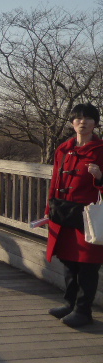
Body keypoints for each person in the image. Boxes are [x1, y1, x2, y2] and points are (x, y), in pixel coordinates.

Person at [46, 103, 103, 328]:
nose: (83, 122)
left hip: (89, 217)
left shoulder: (101, 150)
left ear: (95, 123)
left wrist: (100, 177)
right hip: (63, 212)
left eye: (88, 118)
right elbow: (55, 182)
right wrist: (48, 211)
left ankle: (83, 311)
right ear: (72, 123)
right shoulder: (63, 149)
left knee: (87, 265)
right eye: (78, 118)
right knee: (69, 262)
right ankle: (70, 304)